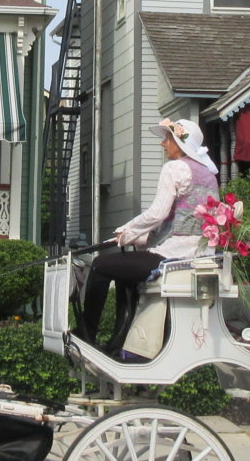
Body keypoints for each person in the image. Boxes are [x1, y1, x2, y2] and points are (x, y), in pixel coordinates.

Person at [76, 119, 219, 352]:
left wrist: (126, 231)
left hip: (173, 257)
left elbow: (157, 214)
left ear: (180, 143)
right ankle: (119, 343)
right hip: (199, 256)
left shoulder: (174, 168)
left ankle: (86, 334)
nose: (163, 144)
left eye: (167, 138)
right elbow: (181, 221)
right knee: (124, 271)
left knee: (101, 265)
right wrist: (138, 237)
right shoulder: (209, 174)